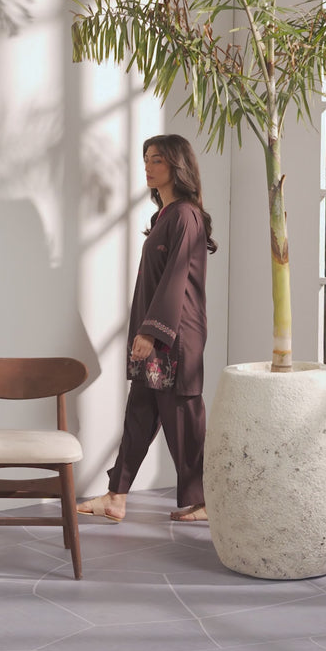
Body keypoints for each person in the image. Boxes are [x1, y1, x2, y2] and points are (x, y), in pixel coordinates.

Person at [77, 133, 217, 524]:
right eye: (146, 159)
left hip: (176, 337)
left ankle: (203, 501)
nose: (148, 167)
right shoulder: (163, 217)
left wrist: (151, 332)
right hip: (157, 336)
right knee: (140, 411)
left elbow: (175, 278)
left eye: (157, 160)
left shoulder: (186, 215)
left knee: (183, 414)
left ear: (177, 165)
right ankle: (116, 496)